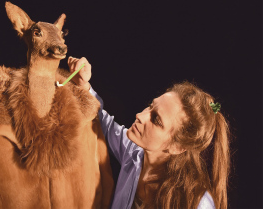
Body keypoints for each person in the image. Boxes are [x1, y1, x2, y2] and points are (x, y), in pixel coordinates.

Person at [67, 57, 230, 209]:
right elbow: (106, 125)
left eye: (156, 120)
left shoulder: (196, 203)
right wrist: (84, 85)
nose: (140, 116)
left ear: (177, 147)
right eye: (151, 106)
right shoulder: (134, 153)